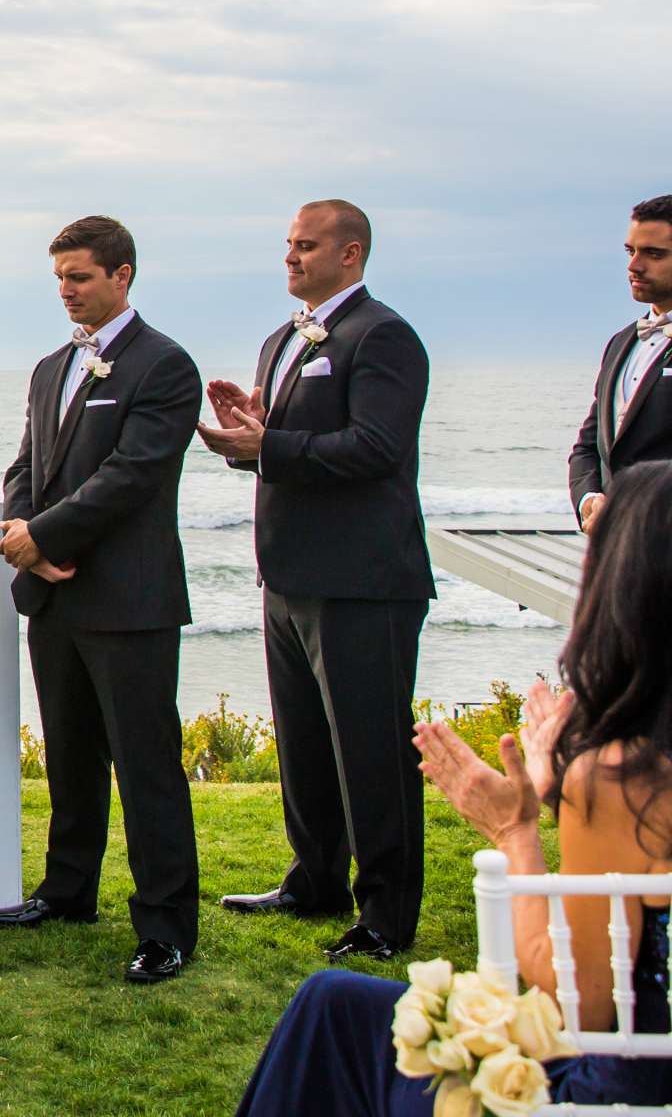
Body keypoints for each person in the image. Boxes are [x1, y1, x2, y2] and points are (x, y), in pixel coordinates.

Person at [234, 459, 672, 1114]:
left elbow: (573, 1002)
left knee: (329, 1010)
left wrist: (515, 829)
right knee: (333, 1004)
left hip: (619, 1091)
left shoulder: (627, 779)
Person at [200, 201, 434, 959]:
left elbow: (376, 446)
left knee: (372, 750)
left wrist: (274, 441)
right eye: (288, 246)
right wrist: (247, 434)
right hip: (289, 574)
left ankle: (387, 916)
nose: (292, 258)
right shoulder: (282, 339)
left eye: (307, 246)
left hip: (365, 579)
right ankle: (315, 879)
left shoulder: (384, 335)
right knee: (304, 744)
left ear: (352, 254)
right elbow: (285, 448)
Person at [0, 215, 202, 985]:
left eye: (80, 277)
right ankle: (68, 891)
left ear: (122, 276)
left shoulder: (166, 366)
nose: (68, 292)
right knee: (70, 757)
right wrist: (23, 532)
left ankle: (167, 927)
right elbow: (26, 466)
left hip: (130, 598)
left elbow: (132, 477)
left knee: (147, 768)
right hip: (55, 597)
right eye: (60, 280)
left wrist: (46, 538)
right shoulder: (50, 368)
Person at [569, 193, 672, 532]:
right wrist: (590, 499)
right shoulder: (620, 343)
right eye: (631, 251)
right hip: (618, 558)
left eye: (654, 254)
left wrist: (631, 510)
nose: (634, 266)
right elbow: (588, 446)